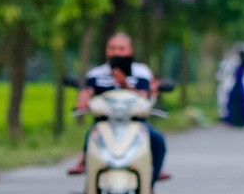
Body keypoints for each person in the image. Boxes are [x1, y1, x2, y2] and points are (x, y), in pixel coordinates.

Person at [71, 34, 170, 180]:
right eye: (112, 48)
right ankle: (85, 169)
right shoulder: (96, 74)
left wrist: (124, 84)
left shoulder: (141, 73)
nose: (116, 52)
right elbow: (87, 92)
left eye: (121, 48)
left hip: (136, 123)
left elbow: (143, 98)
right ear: (106, 51)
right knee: (90, 137)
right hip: (104, 123)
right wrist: (82, 100)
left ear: (130, 51)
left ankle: (151, 183)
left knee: (158, 141)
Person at [223, 46, 244, 128]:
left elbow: (238, 77)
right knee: (237, 104)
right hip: (238, 86)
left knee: (237, 104)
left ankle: (238, 120)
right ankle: (237, 121)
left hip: (238, 86)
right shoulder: (241, 64)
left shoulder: (241, 65)